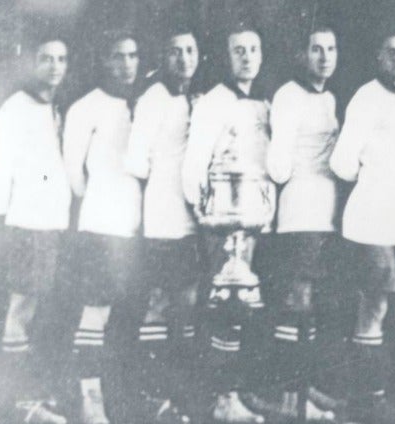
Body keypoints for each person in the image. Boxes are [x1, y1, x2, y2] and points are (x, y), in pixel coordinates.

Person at [181, 22, 271, 424]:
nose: (247, 57)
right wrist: (208, 219)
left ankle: (233, 393)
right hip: (222, 226)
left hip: (254, 223)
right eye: (239, 50)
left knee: (244, 310)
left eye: (253, 49)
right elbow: (193, 167)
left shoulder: (262, 104)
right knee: (224, 308)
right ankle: (219, 399)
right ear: (227, 56)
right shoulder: (214, 102)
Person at [329, 26, 395, 424]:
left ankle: (369, 398)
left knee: (382, 308)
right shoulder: (367, 97)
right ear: (379, 57)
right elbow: (341, 163)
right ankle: (369, 402)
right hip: (370, 218)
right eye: (391, 51)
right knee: (373, 308)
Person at [257, 24, 341, 422]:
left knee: (316, 302)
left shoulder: (330, 98)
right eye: (316, 49)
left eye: (330, 49)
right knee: (297, 301)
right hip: (300, 209)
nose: (324, 57)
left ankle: (306, 389)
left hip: (326, 211)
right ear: (301, 55)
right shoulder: (289, 96)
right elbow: (277, 165)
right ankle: (290, 398)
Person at [122, 24, 203, 423]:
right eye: (175, 51)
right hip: (162, 218)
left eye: (190, 50)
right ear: (163, 58)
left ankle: (177, 398)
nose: (184, 59)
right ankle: (153, 401)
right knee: (160, 303)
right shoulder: (154, 97)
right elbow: (135, 161)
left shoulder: (196, 97)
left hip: (190, 219)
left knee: (186, 306)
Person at [63, 29, 143, 424]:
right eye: (118, 57)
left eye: (132, 56)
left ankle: (123, 399)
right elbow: (73, 173)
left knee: (127, 313)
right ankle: (88, 399)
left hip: (134, 227)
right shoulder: (86, 107)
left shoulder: (143, 104)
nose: (126, 64)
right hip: (100, 223)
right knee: (96, 310)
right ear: (105, 61)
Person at [0, 34, 70, 424]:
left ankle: (32, 398)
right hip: (25, 222)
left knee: (41, 310)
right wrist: (5, 215)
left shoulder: (54, 108)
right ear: (31, 63)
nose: (54, 66)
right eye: (45, 58)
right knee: (21, 308)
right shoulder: (14, 109)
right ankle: (18, 402)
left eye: (60, 59)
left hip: (51, 224)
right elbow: (1, 169)